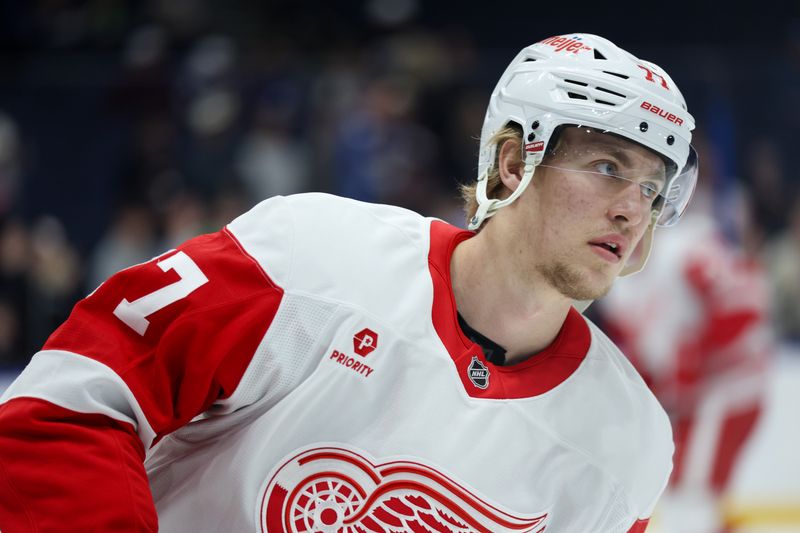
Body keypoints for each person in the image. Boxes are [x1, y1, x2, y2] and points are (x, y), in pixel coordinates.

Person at [0, 33, 698, 532]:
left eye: (652, 188)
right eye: (609, 166)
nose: (634, 209)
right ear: (513, 163)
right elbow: (73, 403)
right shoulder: (308, 259)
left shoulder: (626, 442)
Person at [598, 169, 772, 532]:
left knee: (694, 493)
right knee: (679, 487)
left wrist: (698, 356)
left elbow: (746, 304)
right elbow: (642, 360)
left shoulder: (689, 248)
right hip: (691, 400)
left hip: (730, 387)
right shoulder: (614, 286)